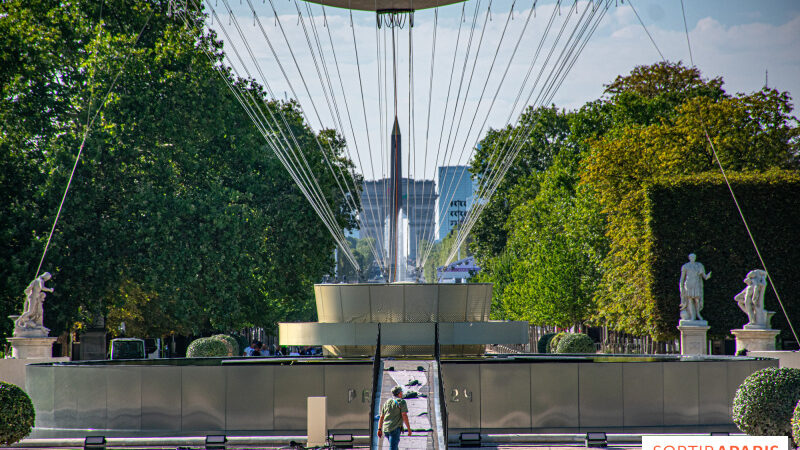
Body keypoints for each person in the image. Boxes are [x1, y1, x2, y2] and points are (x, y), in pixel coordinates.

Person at [679, 253, 711, 321]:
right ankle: (693, 316)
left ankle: (698, 314)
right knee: (690, 300)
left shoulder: (699, 265)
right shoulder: (686, 266)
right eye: (691, 257)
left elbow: (704, 276)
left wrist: (708, 276)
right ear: (689, 258)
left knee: (697, 300)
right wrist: (681, 288)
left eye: (694, 257)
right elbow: (682, 279)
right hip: (689, 285)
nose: (693, 258)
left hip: (696, 284)